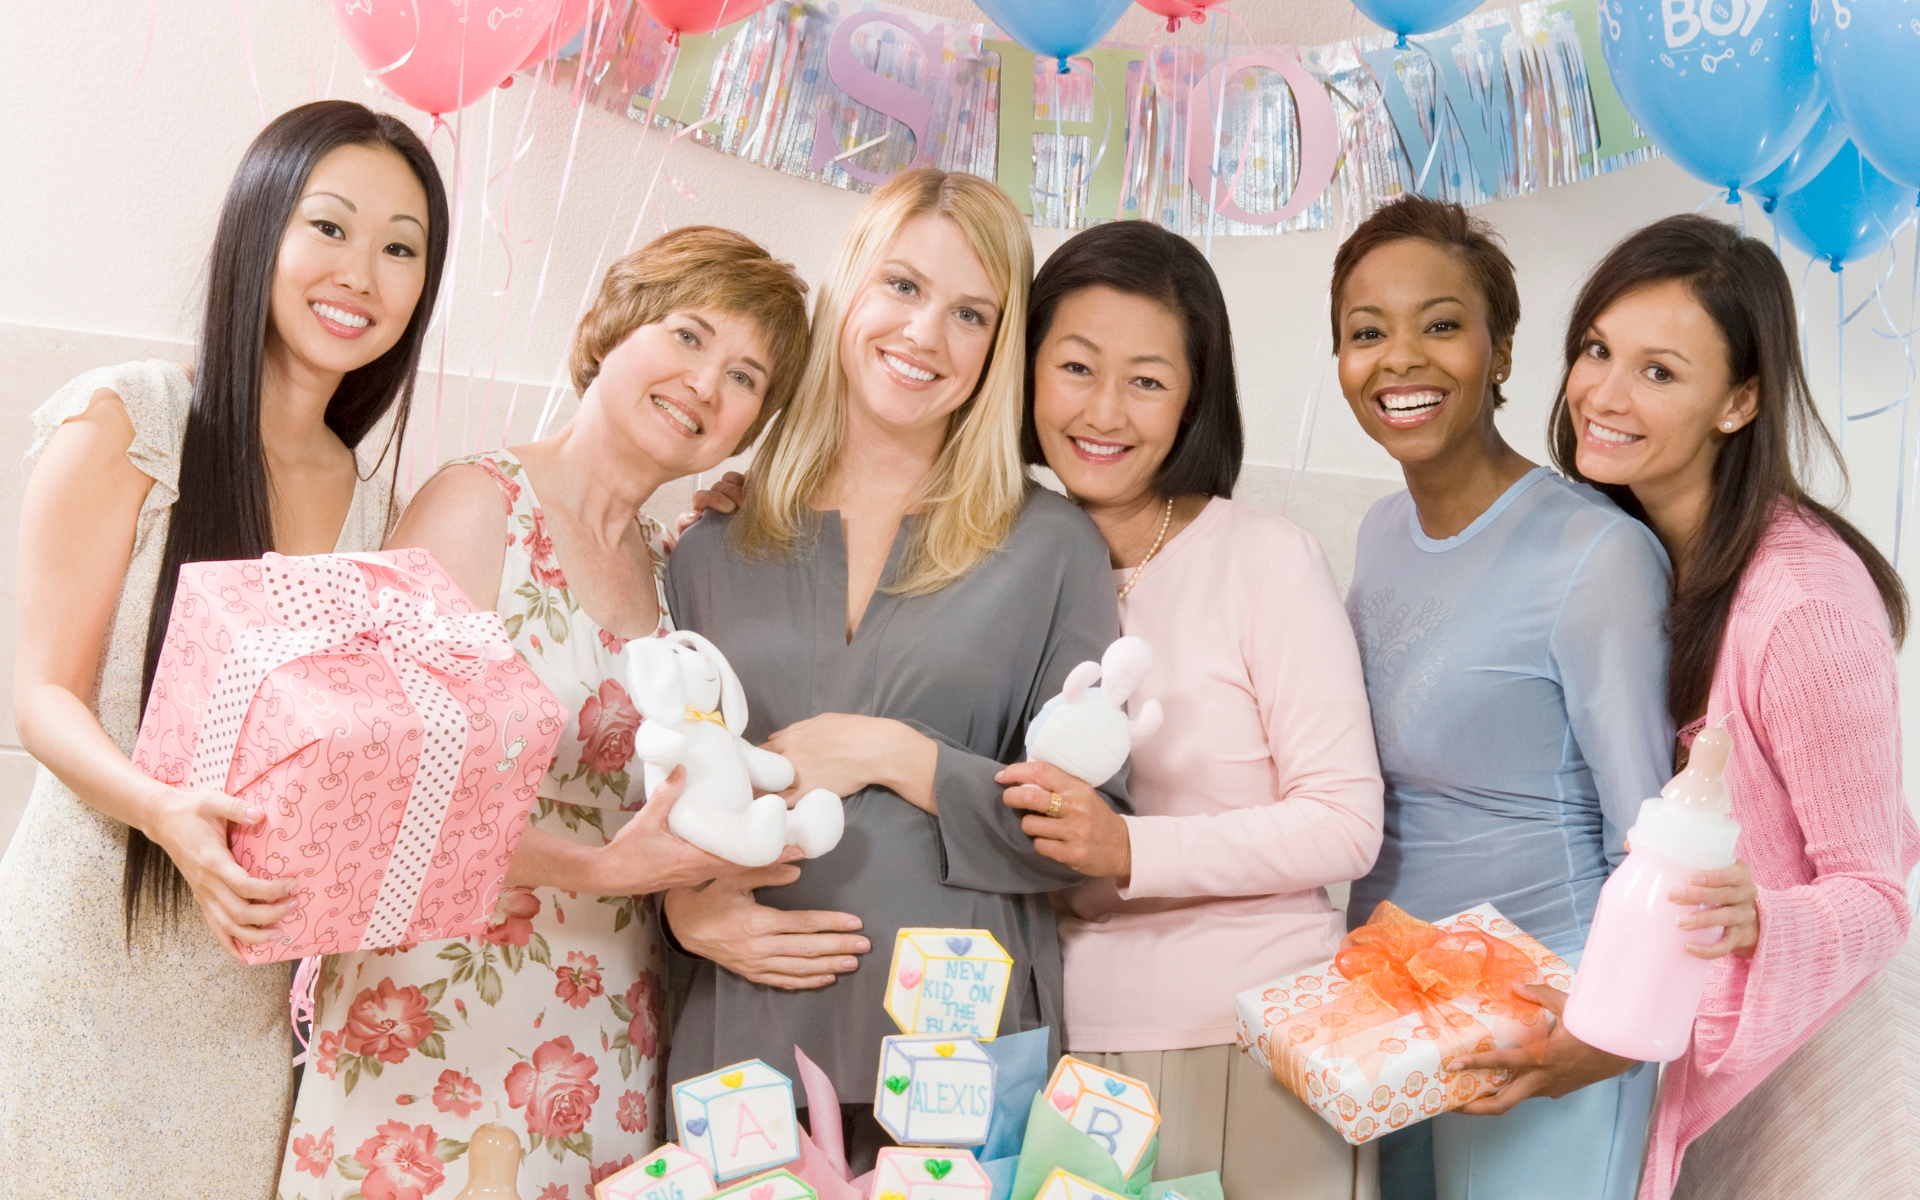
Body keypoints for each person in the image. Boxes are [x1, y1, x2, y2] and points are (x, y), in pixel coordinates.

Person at [276, 226, 812, 1198]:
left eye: (745, 377)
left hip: (606, 1030)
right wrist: (603, 869)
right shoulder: (477, 505)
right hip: (428, 1020)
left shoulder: (676, 569)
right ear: (612, 327)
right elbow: (370, 791)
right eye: (687, 335)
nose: (705, 384)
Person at [0, 100, 448, 1196]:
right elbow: (39, 696)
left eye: (401, 250)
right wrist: (163, 811)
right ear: (260, 229)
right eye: (329, 227)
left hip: (244, 1004)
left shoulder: (371, 503)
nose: (361, 274)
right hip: (83, 962)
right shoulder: (134, 419)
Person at [659, 167, 1124, 1160]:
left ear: (998, 347)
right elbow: (654, 800)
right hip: (746, 1046)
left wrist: (892, 754)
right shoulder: (710, 547)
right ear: (850, 289)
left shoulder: (1052, 548)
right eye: (903, 286)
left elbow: (1086, 843)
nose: (924, 335)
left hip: (956, 1061)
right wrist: (680, 907)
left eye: (970, 313)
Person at [1526, 214, 1919, 1200]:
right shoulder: (1623, 552)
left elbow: (1876, 893)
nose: (1603, 395)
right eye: (1597, 350)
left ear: (1740, 401)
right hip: (1697, 1030)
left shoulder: (1803, 605)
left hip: (1826, 1065)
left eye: (1659, 372)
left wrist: (1761, 917)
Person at [991, 219, 1384, 1199]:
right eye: (1075, 367)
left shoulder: (1265, 559)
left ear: (1195, 397)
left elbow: (1344, 823)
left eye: (1147, 381)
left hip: (1259, 1038)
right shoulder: (991, 560)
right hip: (1062, 1050)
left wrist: (1128, 849)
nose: (1104, 411)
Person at [1331, 195, 1672, 1200]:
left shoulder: (1597, 556)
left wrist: (1602, 1036)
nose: (1400, 359)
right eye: (1366, 332)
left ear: (1503, 351)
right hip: (1388, 1009)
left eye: (1440, 325)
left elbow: (1648, 842)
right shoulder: (1380, 533)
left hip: (1542, 1024)